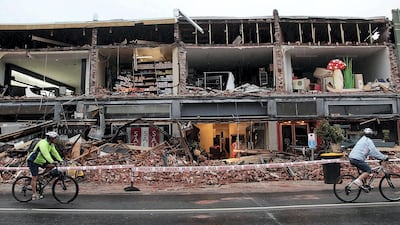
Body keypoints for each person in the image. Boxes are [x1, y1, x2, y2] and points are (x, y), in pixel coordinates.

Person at [27, 131, 63, 200]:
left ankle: (41, 176)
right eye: (55, 138)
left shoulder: (51, 144)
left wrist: (61, 160)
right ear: (51, 138)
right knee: (34, 177)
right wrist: (53, 161)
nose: (56, 140)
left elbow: (55, 153)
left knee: (52, 166)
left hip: (40, 161)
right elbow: (46, 154)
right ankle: (34, 194)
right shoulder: (43, 143)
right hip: (33, 161)